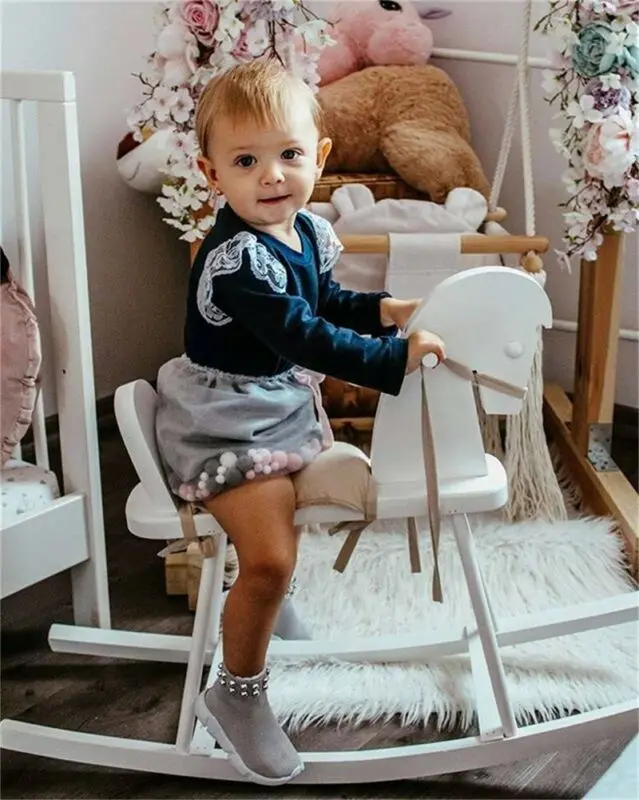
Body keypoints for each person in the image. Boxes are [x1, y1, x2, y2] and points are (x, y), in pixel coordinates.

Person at [155, 59, 445, 786]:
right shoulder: (235, 260)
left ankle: (261, 613)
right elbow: (302, 335)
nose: (271, 175)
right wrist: (392, 357)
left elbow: (325, 301)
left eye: (288, 154)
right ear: (211, 174)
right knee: (271, 557)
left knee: (287, 537)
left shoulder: (305, 231)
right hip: (225, 424)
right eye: (245, 161)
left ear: (319, 155)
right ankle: (236, 695)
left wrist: (379, 310)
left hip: (274, 405)